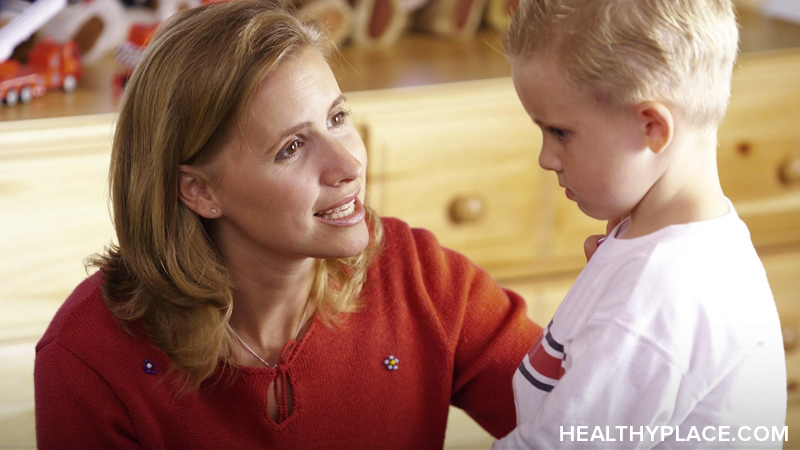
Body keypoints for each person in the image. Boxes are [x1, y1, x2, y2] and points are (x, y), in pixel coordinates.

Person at [33, 2, 541, 448]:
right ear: (200, 191)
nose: (348, 166)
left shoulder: (422, 280)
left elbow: (594, 426)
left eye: (337, 118)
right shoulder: (88, 359)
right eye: (292, 148)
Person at [495, 0, 787, 448]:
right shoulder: (685, 247)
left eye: (560, 132)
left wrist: (623, 298)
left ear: (652, 127)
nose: (546, 158)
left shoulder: (659, 296)